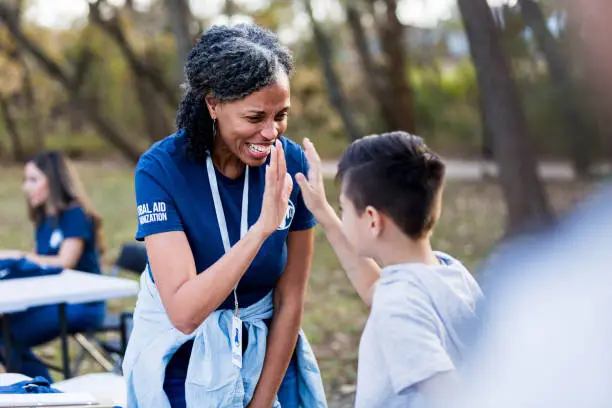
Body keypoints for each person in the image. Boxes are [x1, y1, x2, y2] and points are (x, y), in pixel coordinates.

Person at [122, 23, 327, 408]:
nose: (270, 132)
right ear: (213, 104)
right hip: (183, 352)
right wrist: (262, 229)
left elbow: (290, 300)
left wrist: (261, 402)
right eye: (255, 117)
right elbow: (184, 313)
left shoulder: (291, 163)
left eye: (281, 115)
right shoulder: (161, 169)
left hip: (267, 354)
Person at [294, 132, 484, 407]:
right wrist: (323, 211)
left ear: (372, 219)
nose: (342, 216)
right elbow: (375, 287)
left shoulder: (397, 306)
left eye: (343, 209)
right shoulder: (448, 271)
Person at [0, 151, 106, 381]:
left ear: (54, 181)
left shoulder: (74, 214)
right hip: (53, 299)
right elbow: (39, 262)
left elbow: (64, 262)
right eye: (25, 180)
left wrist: (18, 256)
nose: (25, 187)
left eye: (33, 180)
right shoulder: (45, 219)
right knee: (4, 328)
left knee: (8, 334)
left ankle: (41, 389)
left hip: (84, 303)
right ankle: (37, 386)